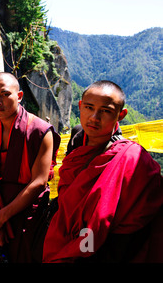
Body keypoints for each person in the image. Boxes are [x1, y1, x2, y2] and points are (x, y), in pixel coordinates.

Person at [43, 80, 163, 263]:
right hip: (66, 231)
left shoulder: (132, 158)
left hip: (110, 245)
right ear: (80, 106)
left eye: (105, 111)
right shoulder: (77, 137)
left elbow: (144, 211)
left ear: (120, 115)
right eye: (89, 108)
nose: (94, 117)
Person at [0, 72, 60, 263]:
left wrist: (1, 217)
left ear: (19, 96)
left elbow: (39, 181)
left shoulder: (40, 131)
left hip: (27, 215)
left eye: (4, 94)